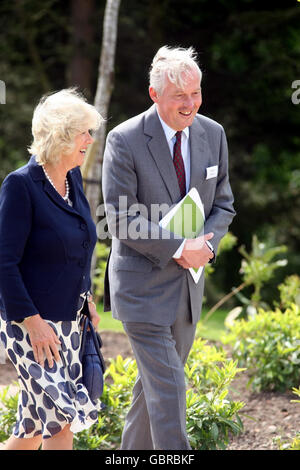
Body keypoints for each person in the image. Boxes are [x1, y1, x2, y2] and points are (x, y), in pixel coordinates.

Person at [102, 46, 236, 450]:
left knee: (153, 392)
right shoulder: (123, 139)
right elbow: (122, 217)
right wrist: (179, 247)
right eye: (180, 95)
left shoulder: (213, 134)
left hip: (187, 291)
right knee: (171, 386)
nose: (190, 103)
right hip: (140, 289)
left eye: (195, 93)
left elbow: (223, 204)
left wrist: (204, 248)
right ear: (154, 94)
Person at [0, 88, 103, 450]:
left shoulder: (73, 180)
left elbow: (79, 244)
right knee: (60, 424)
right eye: (83, 133)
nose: (90, 140)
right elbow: (4, 263)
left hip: (69, 324)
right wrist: (32, 322)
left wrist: (86, 296)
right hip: (32, 328)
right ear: (60, 135)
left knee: (29, 430)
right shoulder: (20, 185)